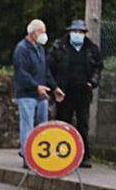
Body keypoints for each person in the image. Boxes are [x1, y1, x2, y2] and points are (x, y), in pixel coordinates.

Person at [49, 20, 103, 167]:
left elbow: (98, 68)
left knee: (83, 124)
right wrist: (54, 87)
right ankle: (61, 154)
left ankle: (84, 156)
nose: (77, 35)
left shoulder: (91, 49)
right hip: (64, 92)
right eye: (75, 32)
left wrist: (92, 82)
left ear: (85, 34)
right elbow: (50, 68)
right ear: (70, 32)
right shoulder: (59, 47)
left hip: (83, 92)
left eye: (80, 32)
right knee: (63, 122)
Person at [14, 19, 64, 167]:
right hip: (27, 94)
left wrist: (54, 88)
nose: (45, 35)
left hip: (41, 94)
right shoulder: (21, 49)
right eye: (42, 32)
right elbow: (22, 73)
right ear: (33, 33)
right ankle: (27, 158)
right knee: (27, 126)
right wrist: (36, 87)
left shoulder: (40, 49)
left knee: (42, 126)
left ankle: (39, 155)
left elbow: (45, 71)